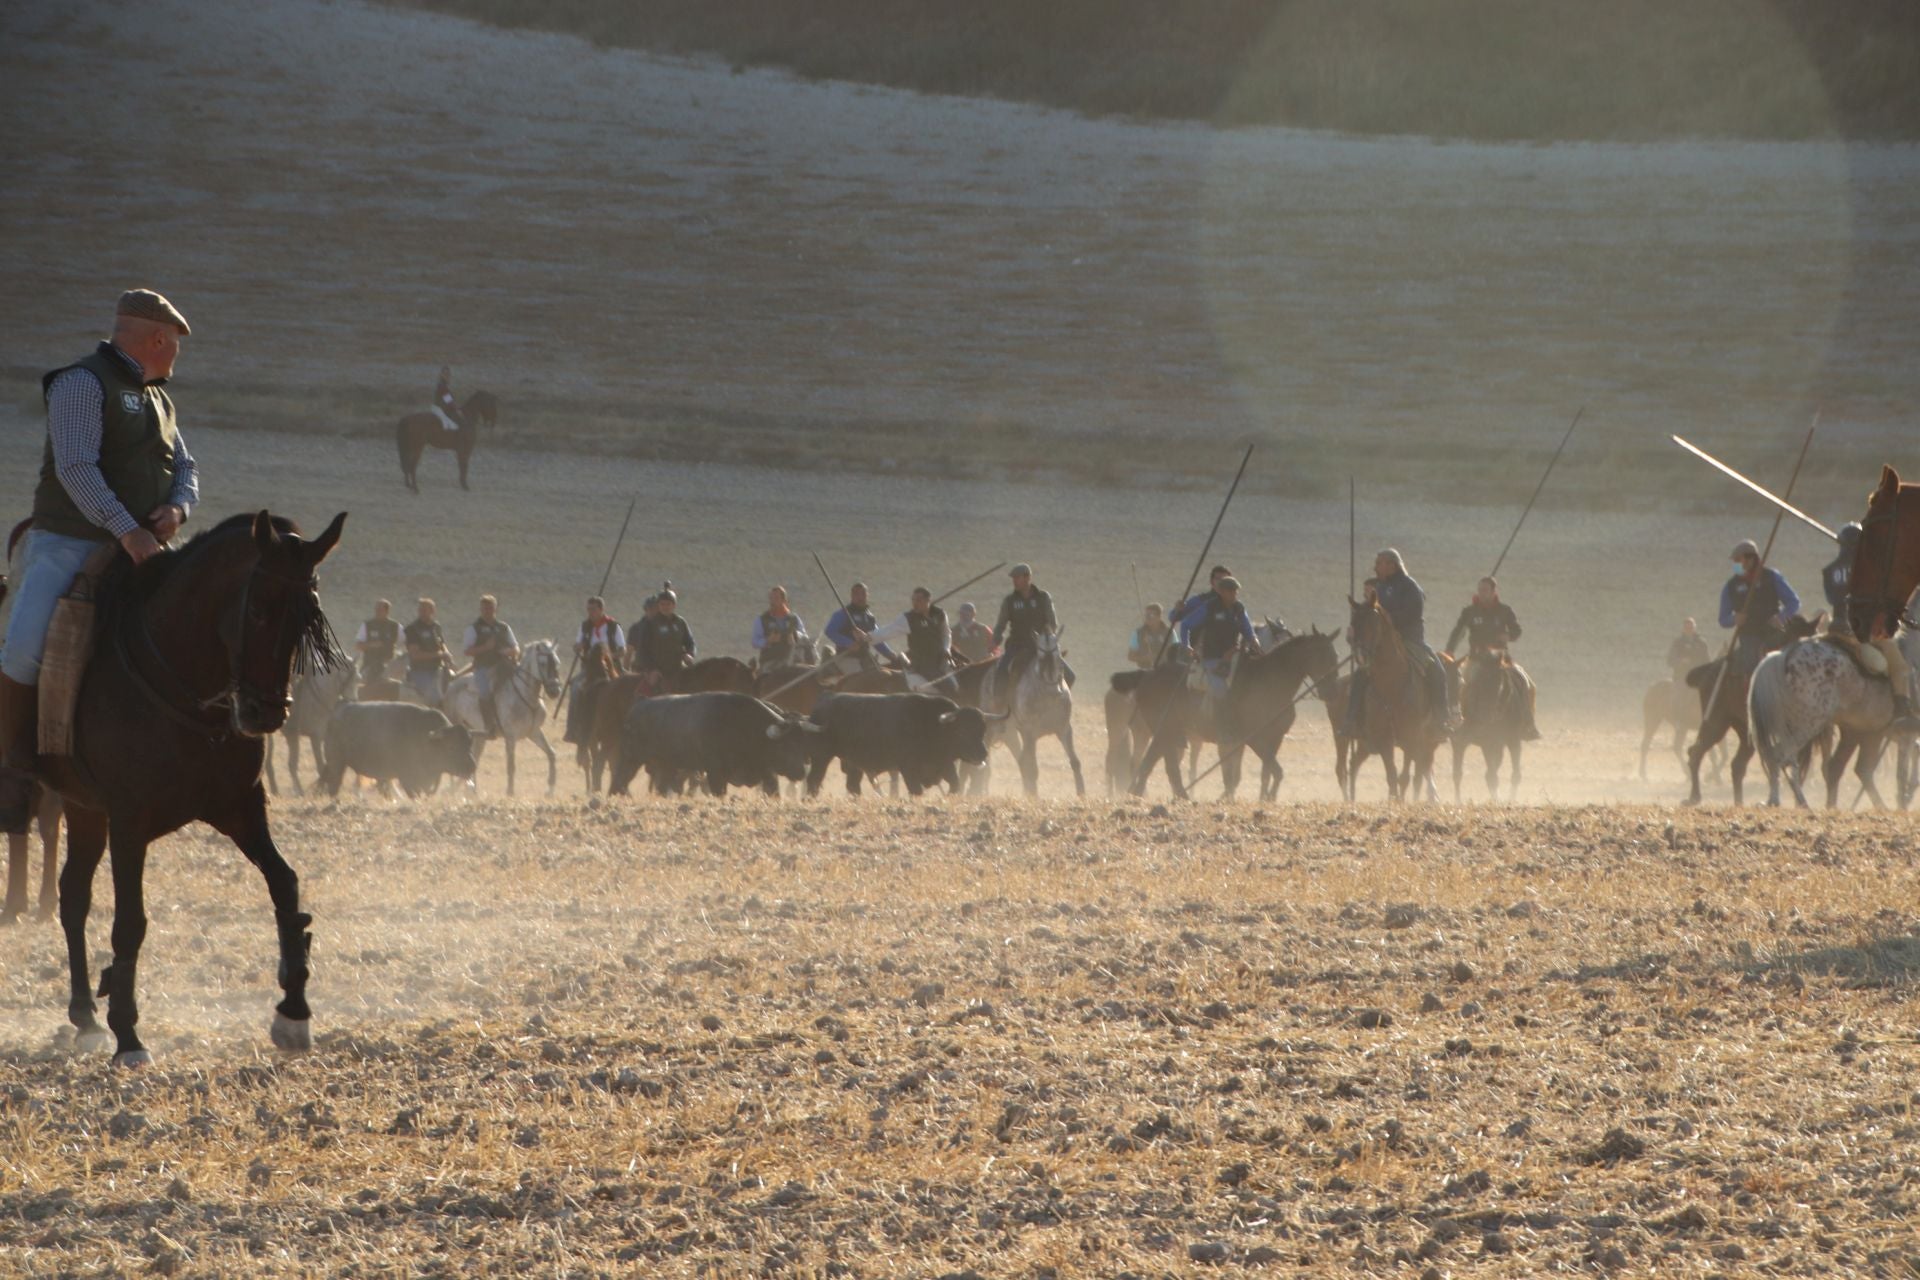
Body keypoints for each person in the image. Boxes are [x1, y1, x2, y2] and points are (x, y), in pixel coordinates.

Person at [1, 289, 199, 828]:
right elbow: (76, 469)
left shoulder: (159, 399)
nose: (177, 355)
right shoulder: (81, 384)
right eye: (175, 344)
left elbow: (187, 470)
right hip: (68, 543)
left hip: (144, 547)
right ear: (158, 338)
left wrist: (177, 510)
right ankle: (13, 769)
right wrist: (127, 530)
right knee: (21, 648)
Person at [1343, 548, 1455, 739]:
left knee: (1437, 670)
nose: (1375, 567)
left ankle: (1441, 718)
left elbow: (1414, 612)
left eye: (1379, 563)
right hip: (1381, 643)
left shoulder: (1410, 586)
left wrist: (1390, 618)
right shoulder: (1376, 588)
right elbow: (1368, 615)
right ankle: (1351, 720)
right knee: (1361, 675)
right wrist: (1355, 628)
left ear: (1392, 564)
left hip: (1411, 640)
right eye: (1377, 563)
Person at [1443, 576, 1539, 740]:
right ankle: (1456, 722)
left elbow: (1517, 630)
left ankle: (1528, 725)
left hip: (1501, 660)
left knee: (1528, 685)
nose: (1482, 593)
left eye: (1485, 590)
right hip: (1476, 659)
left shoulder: (1505, 610)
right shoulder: (1470, 612)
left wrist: (1507, 636)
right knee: (1462, 686)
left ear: (1494, 592)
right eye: (1480, 590)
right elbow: (1459, 632)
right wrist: (1450, 650)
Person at [989, 563, 1072, 707]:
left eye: (1017, 578)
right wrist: (996, 639)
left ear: (1027, 578)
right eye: (1013, 578)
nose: (1014, 581)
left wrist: (1048, 632)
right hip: (1017, 645)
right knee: (1002, 670)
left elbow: (1052, 623)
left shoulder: (1043, 597)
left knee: (1070, 675)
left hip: (1041, 646)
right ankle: (999, 704)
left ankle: (1061, 702)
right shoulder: (1010, 601)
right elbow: (1000, 624)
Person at [1719, 539, 1799, 677]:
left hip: (1774, 632)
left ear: (1750, 559)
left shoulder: (1772, 577)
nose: (1735, 564)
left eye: (1738, 560)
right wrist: (1734, 619)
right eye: (1734, 561)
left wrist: (1780, 617)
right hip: (1749, 636)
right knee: (1752, 669)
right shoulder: (1730, 586)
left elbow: (1793, 602)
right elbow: (1723, 619)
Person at [1190, 577, 1255, 740]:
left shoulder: (1239, 608)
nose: (1234, 594)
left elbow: (1248, 630)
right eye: (1231, 591)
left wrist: (1256, 646)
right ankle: (1221, 727)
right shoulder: (1209, 608)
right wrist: (1191, 647)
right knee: (1221, 690)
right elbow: (1189, 626)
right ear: (1222, 592)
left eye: (1236, 591)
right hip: (1212, 658)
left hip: (1234, 655)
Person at [564, 596, 624, 745]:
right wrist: (578, 647)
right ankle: (573, 730)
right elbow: (577, 645)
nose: (590, 613)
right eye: (588, 610)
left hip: (611, 668)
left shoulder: (613, 626)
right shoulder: (585, 627)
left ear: (601, 610)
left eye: (593, 609)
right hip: (590, 669)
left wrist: (608, 656)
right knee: (576, 688)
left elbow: (622, 650)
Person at [464, 595, 520, 737]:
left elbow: (516, 648)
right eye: (484, 608)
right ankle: (489, 726)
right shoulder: (473, 628)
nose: (487, 611)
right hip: (483, 667)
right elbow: (467, 651)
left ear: (495, 608)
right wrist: (485, 647)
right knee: (485, 693)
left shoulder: (504, 627)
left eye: (490, 608)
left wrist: (509, 651)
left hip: (504, 666)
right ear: (480, 609)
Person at [824, 582, 897, 672]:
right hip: (846, 658)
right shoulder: (843, 614)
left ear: (867, 595)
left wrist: (890, 654)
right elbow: (830, 631)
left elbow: (876, 639)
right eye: (856, 594)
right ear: (852, 596)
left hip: (865, 657)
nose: (860, 597)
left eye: (863, 594)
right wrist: (849, 643)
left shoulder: (869, 617)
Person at [633, 588, 696, 687]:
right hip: (657, 670)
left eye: (668, 604)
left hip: (678, 667)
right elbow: (642, 650)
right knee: (649, 690)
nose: (665, 607)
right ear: (658, 606)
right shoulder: (650, 623)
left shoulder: (680, 622)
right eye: (662, 604)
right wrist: (651, 669)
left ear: (674, 605)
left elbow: (690, 642)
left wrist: (689, 654)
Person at [899, 587, 953, 686]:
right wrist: (869, 637)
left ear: (928, 600)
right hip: (922, 663)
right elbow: (888, 631)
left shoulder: (940, 614)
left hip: (940, 659)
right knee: (950, 688)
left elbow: (946, 634)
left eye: (918, 600)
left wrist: (946, 648)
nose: (915, 603)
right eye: (913, 600)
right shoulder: (908, 618)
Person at [1171, 565, 1234, 650]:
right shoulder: (1199, 601)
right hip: (1198, 651)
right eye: (1218, 579)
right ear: (1212, 582)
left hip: (1225, 653)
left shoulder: (1236, 605)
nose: (1221, 582)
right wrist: (1177, 609)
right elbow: (1173, 617)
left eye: (1225, 579)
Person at [403, 598, 450, 706]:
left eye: (425, 609)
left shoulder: (436, 627)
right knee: (435, 699)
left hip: (438, 669)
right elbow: (415, 655)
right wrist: (438, 654)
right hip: (420, 671)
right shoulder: (413, 629)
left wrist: (447, 655)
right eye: (420, 609)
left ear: (432, 611)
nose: (422, 612)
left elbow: (442, 644)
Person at [752, 586, 808, 669]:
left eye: (776, 599)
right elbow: (755, 641)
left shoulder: (794, 618)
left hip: (793, 661)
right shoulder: (762, 619)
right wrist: (768, 640)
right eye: (771, 598)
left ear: (784, 600)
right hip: (770, 661)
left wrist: (795, 636)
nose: (772, 602)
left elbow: (805, 637)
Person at [1822, 523, 1863, 616]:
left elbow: (1831, 599)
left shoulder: (1828, 571)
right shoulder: (1869, 570)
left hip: (1837, 623)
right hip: (1861, 624)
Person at [356, 599, 401, 683]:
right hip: (370, 664)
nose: (377, 612)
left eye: (380, 610)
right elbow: (358, 646)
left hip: (388, 665)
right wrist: (372, 645)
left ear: (387, 611)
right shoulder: (367, 625)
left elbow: (405, 643)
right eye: (376, 609)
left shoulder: (395, 626)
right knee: (359, 682)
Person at [1129, 603, 1171, 669]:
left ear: (1159, 617)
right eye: (1146, 615)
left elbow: (1176, 653)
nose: (1147, 618)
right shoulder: (1138, 633)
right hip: (1145, 672)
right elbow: (1131, 656)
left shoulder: (1169, 632)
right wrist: (1144, 658)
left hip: (1165, 670)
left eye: (1150, 615)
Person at [1666, 617, 1709, 682]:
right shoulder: (1678, 643)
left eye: (1691, 628)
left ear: (1695, 628)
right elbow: (1670, 660)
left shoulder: (1702, 643)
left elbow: (1707, 661)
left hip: (1698, 678)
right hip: (1681, 677)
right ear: (1683, 629)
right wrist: (1681, 661)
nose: (1689, 630)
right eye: (1687, 628)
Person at [432, 365, 462, 432]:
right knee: (454, 427)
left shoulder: (443, 385)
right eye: (446, 374)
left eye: (449, 374)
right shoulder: (443, 387)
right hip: (439, 410)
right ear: (442, 375)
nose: (448, 377)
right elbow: (448, 401)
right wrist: (457, 410)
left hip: (439, 409)